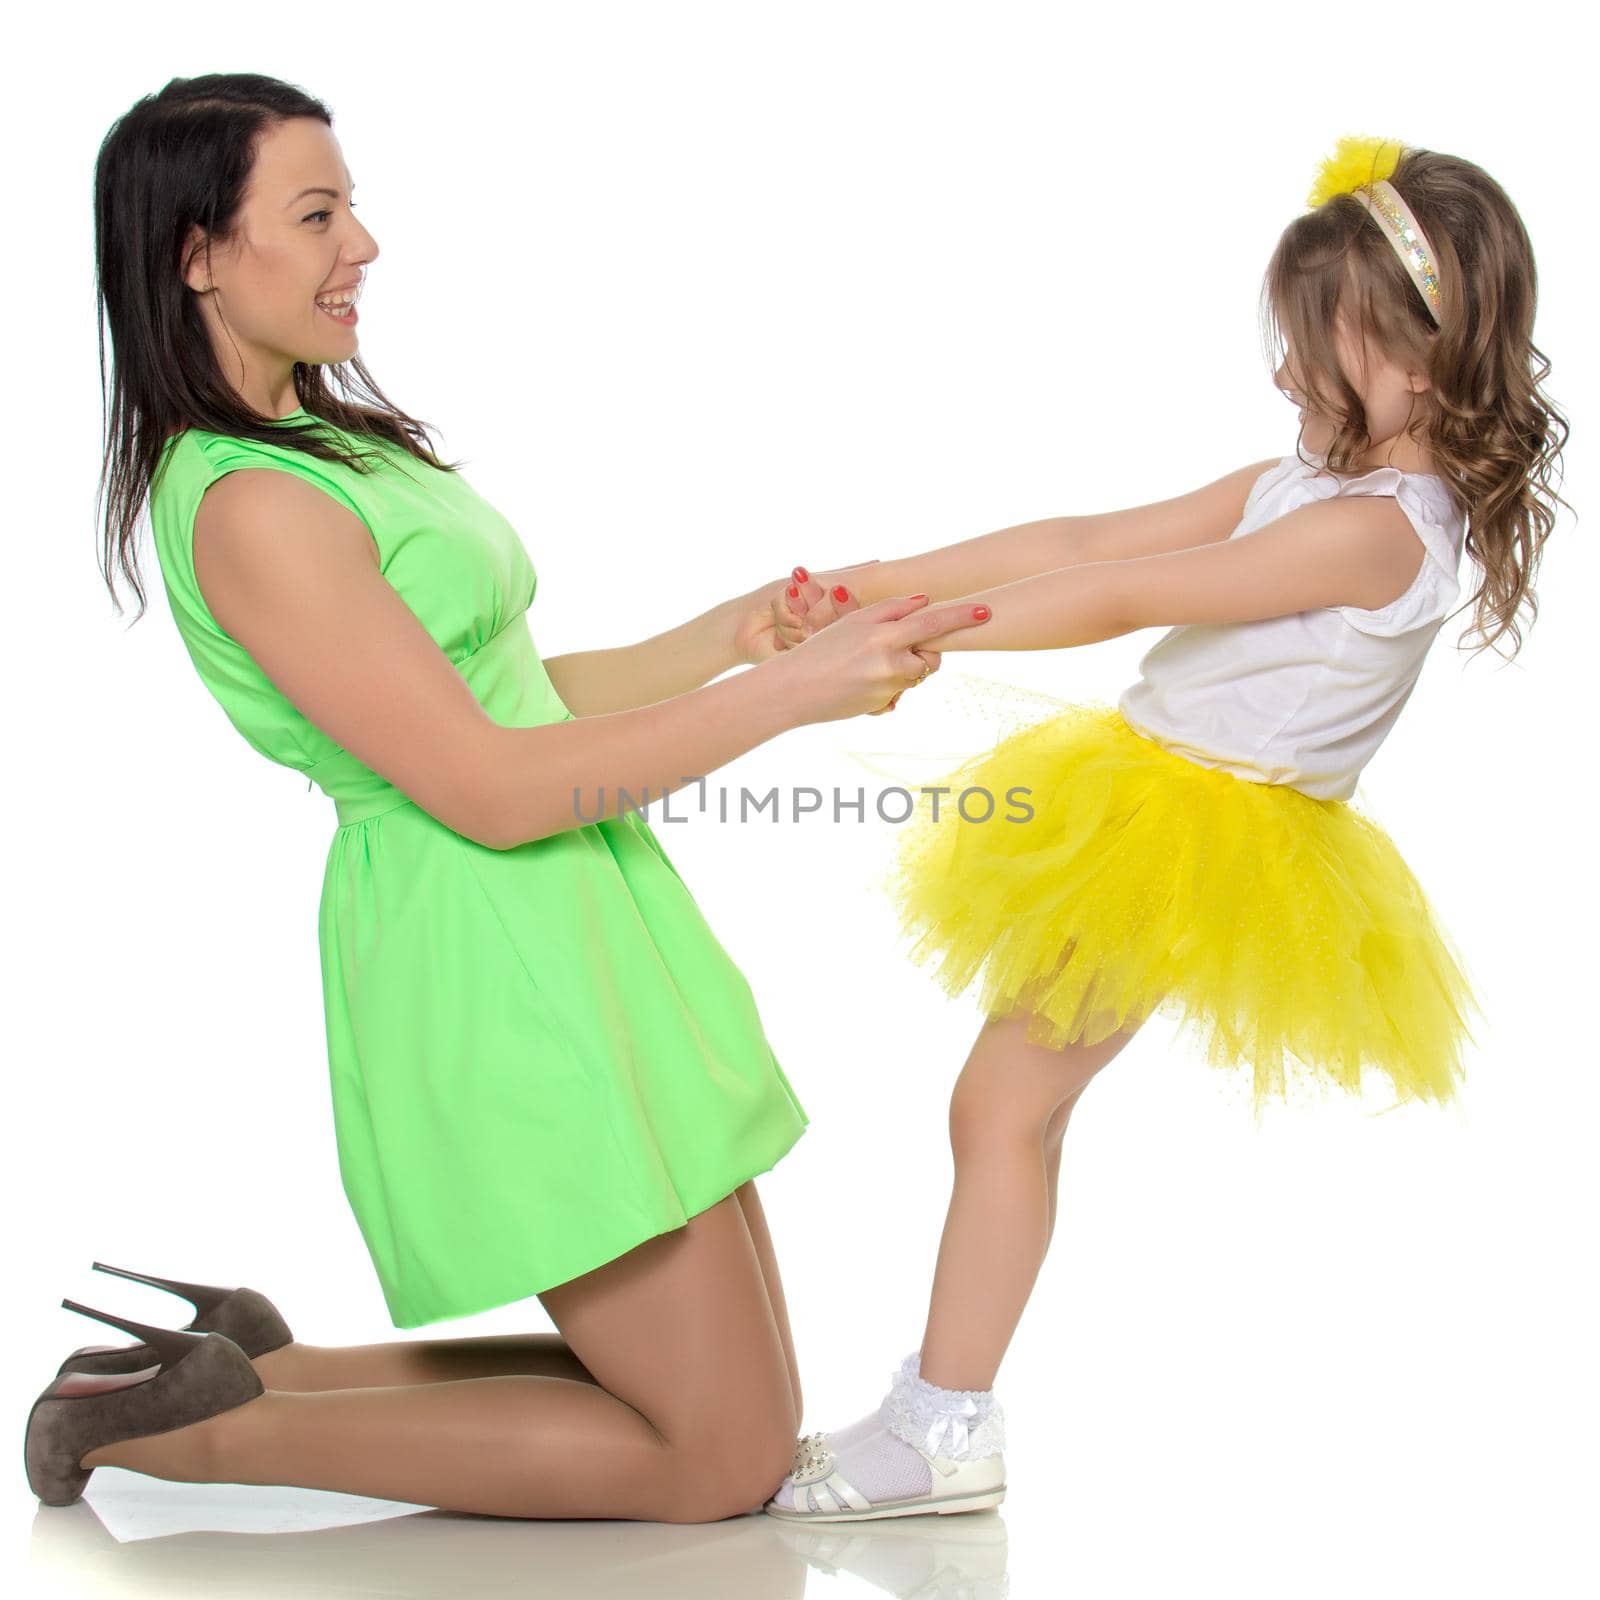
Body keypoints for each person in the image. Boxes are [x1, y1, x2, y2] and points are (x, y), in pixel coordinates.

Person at [24, 71, 993, 1518]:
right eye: (317, 212)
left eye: (349, 204)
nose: (363, 243)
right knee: (719, 1456)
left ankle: (249, 1371)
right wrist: (788, 698)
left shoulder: (326, 443)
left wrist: (735, 639)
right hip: (487, 947)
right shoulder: (251, 505)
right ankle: (179, 1436)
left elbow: (510, 696)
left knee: (739, 1415)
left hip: (569, 917)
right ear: (199, 255)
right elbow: (484, 786)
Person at [759, 134, 1570, 1521]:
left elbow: (1134, 595)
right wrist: (878, 582)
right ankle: (942, 1414)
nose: (1286, 377)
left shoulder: (1388, 529)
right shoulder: (1303, 479)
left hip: (1199, 843)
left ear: (1420, 364)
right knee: (1014, 1110)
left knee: (998, 1108)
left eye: (1320, 355)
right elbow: (1085, 540)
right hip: (1149, 800)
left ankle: (946, 1424)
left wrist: (920, 641)